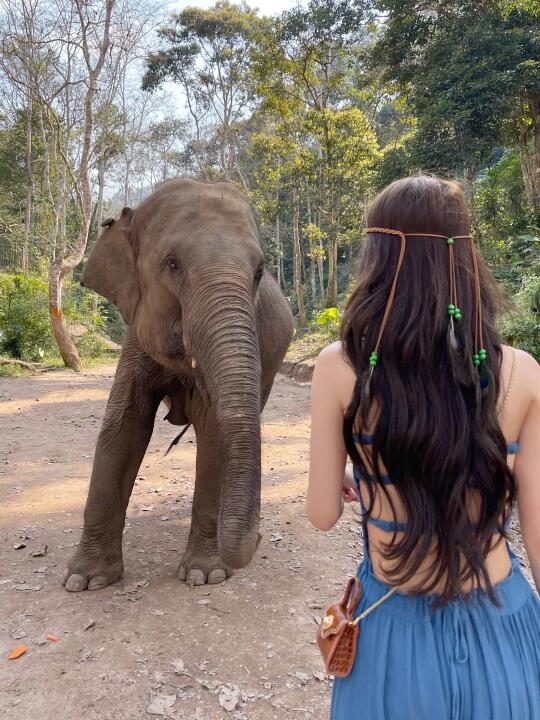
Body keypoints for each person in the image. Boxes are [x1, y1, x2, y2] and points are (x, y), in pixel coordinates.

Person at [307, 175, 540, 719]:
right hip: (502, 625)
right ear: (466, 261)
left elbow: (320, 513)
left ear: (377, 260)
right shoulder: (525, 374)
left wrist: (369, 472)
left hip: (393, 635)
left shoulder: (338, 368)